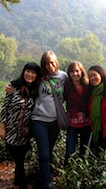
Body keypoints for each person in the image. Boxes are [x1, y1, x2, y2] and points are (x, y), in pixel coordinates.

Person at [0, 62, 41, 189]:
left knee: (20, 159)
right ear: (23, 72)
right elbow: (4, 108)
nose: (30, 74)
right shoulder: (13, 87)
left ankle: (18, 181)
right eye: (28, 71)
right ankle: (22, 185)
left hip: (26, 131)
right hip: (11, 130)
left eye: (33, 72)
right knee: (19, 160)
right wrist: (2, 128)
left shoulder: (36, 89)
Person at [30, 50, 68, 189]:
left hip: (54, 121)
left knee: (49, 150)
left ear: (56, 62)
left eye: (52, 62)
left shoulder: (64, 76)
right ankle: (47, 183)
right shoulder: (40, 77)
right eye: (46, 64)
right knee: (44, 152)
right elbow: (24, 80)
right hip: (39, 119)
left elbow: (76, 88)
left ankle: (45, 174)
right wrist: (11, 87)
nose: (50, 66)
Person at [64, 61, 91, 165]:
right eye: (72, 72)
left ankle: (82, 175)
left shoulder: (88, 85)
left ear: (81, 71)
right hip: (72, 124)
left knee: (84, 152)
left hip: (87, 123)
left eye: (77, 71)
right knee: (69, 152)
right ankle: (67, 174)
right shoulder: (67, 86)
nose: (75, 74)